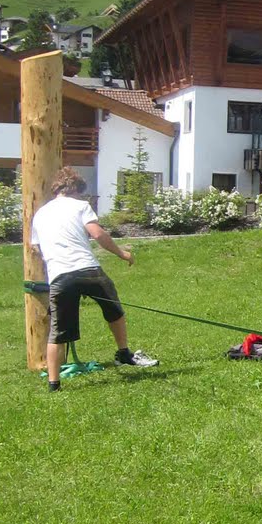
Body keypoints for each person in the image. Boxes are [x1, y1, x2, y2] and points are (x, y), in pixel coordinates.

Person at [29, 166, 158, 391]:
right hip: (88, 269)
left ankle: (54, 384)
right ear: (76, 189)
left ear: (57, 189)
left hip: (60, 276)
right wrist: (122, 254)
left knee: (58, 331)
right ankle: (123, 353)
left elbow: (36, 247)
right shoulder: (80, 206)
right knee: (114, 309)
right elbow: (97, 234)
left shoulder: (40, 214)